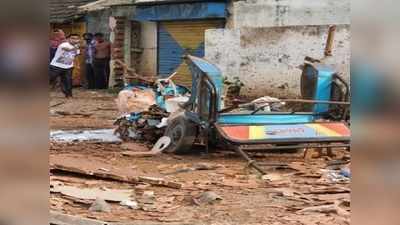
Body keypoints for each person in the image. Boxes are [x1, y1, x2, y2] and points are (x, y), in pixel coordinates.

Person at [49, 34, 81, 98]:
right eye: (72, 38)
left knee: (68, 81)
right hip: (56, 66)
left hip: (68, 67)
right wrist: (76, 46)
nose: (74, 40)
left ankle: (69, 95)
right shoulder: (64, 44)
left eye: (76, 38)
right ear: (68, 39)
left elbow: (75, 56)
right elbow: (67, 49)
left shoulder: (77, 47)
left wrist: (77, 65)